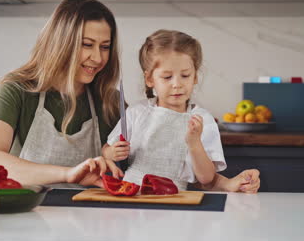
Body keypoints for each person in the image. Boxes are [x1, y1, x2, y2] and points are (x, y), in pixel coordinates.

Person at [0, 0, 259, 192]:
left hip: (92, 219)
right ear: (60, 43)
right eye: (87, 44)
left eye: (105, 46)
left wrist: (228, 183)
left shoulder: (110, 101)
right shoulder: (16, 90)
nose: (97, 58)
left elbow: (162, 162)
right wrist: (67, 175)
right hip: (26, 212)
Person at [103, 29, 260, 193]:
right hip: (131, 192)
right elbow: (106, 149)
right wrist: (112, 152)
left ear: (195, 77)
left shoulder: (202, 119)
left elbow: (206, 178)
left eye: (185, 75)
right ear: (149, 79)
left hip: (174, 197)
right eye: (167, 77)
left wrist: (194, 143)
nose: (177, 84)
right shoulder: (136, 112)